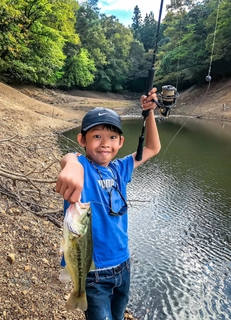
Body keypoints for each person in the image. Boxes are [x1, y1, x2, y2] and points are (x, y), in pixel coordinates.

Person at [56, 88, 161, 320]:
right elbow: (67, 159)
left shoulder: (120, 169)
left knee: (118, 315)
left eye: (112, 137)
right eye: (96, 137)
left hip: (123, 265)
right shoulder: (82, 168)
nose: (105, 144)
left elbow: (153, 148)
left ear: (121, 142)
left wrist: (149, 113)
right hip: (93, 274)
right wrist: (71, 162)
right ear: (82, 140)